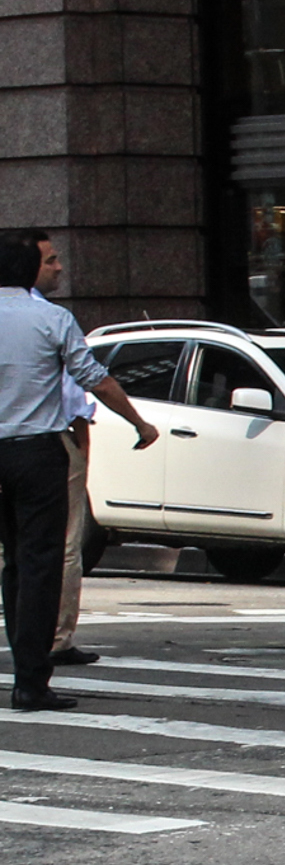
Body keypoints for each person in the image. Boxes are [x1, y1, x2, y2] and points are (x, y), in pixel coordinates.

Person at [0, 228, 156, 711]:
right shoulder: (51, 318)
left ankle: (23, 663)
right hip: (37, 452)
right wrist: (139, 421)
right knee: (40, 563)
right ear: (29, 272)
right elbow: (95, 379)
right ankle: (30, 678)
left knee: (12, 561)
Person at [38, 248, 100, 668]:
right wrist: (139, 422)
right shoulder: (52, 320)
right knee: (62, 546)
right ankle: (55, 638)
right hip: (46, 444)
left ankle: (30, 636)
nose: (60, 266)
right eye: (51, 259)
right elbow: (81, 390)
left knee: (17, 551)